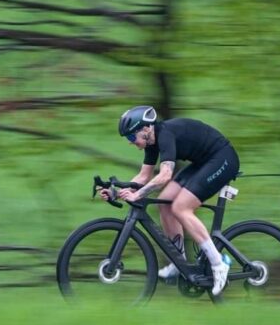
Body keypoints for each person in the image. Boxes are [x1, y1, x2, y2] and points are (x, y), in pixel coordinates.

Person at [100, 105, 240, 295]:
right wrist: (116, 192)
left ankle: (218, 264)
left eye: (132, 137)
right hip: (203, 162)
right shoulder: (151, 143)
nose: (130, 142)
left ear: (146, 129)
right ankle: (178, 262)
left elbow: (165, 176)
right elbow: (143, 177)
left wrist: (138, 195)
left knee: (181, 208)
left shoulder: (165, 135)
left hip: (222, 158)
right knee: (165, 203)